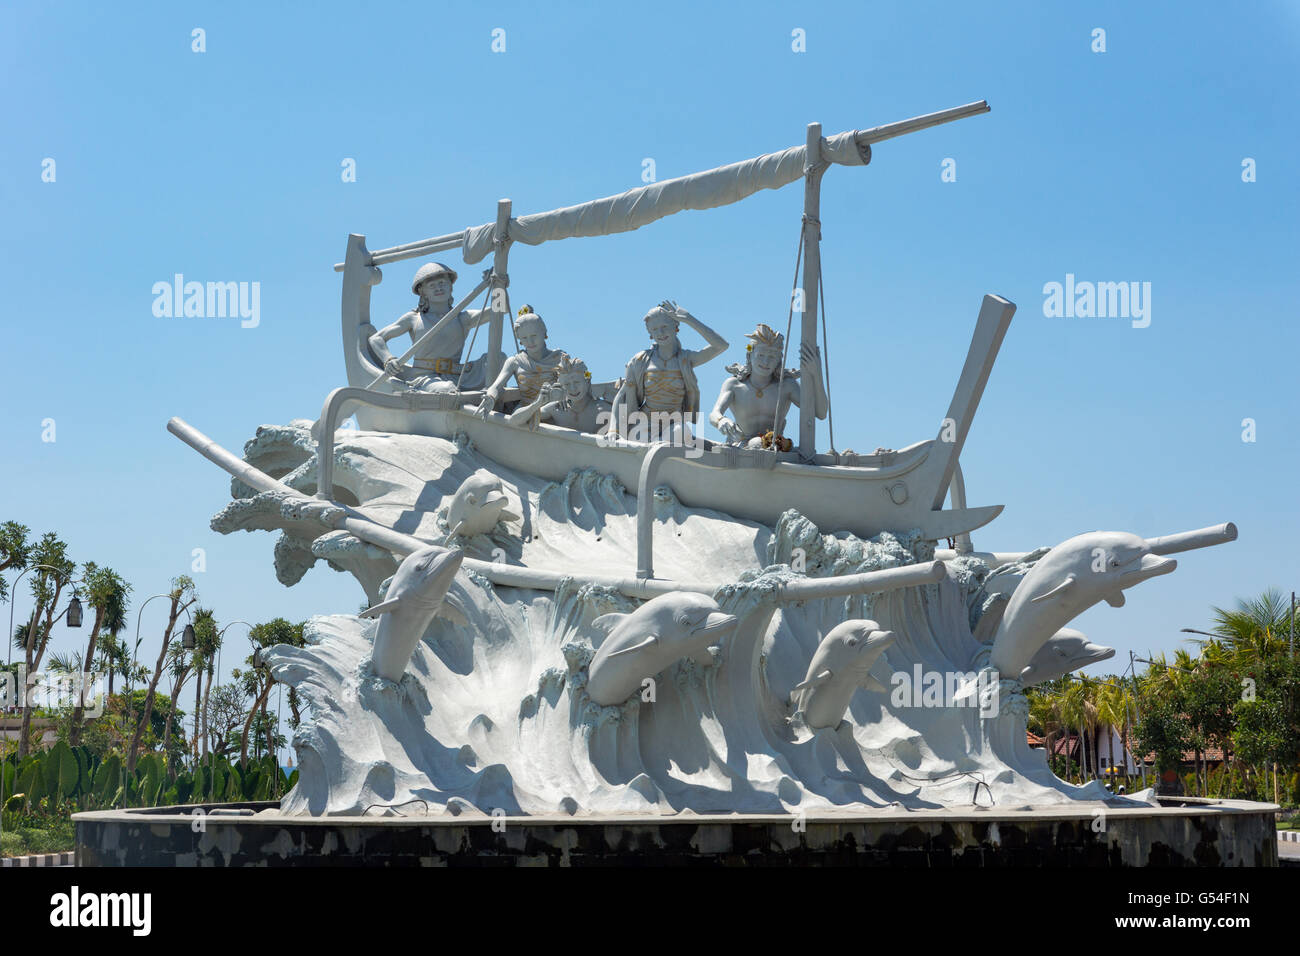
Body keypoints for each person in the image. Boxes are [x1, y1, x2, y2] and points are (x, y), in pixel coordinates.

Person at [608, 300, 727, 441]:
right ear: (650, 333)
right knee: (641, 441)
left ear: (676, 326)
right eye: (655, 329)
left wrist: (689, 319)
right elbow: (622, 395)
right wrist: (613, 430)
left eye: (664, 326)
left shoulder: (686, 360)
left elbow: (721, 345)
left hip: (674, 424)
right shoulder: (639, 361)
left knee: (680, 433)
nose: (661, 333)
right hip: (645, 423)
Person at [366, 262, 496, 391]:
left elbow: (499, 310)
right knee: (447, 388)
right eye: (432, 285)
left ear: (451, 286)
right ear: (423, 292)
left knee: (498, 358)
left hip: (459, 376)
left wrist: (498, 286)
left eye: (442, 283)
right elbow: (376, 339)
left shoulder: (462, 318)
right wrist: (388, 359)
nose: (438, 288)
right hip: (425, 378)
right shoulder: (414, 318)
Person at [708, 322, 826, 447]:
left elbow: (820, 413)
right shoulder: (734, 385)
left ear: (779, 360)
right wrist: (721, 420)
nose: (766, 362)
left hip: (774, 447)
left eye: (772, 356)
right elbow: (714, 413)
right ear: (750, 355)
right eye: (761, 355)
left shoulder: (786, 386)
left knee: (758, 443)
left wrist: (817, 374)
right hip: (740, 448)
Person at [476, 307, 567, 414]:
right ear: (519, 339)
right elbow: (495, 387)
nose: (530, 341)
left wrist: (565, 393)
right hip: (523, 415)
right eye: (524, 338)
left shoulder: (560, 358)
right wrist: (491, 397)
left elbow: (573, 386)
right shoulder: (515, 362)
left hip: (554, 413)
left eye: (534, 335)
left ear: (544, 333)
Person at [506, 355, 609, 433]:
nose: (572, 388)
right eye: (567, 384)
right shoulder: (557, 409)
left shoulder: (601, 409)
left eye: (577, 382)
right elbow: (513, 422)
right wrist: (537, 404)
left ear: (587, 381)